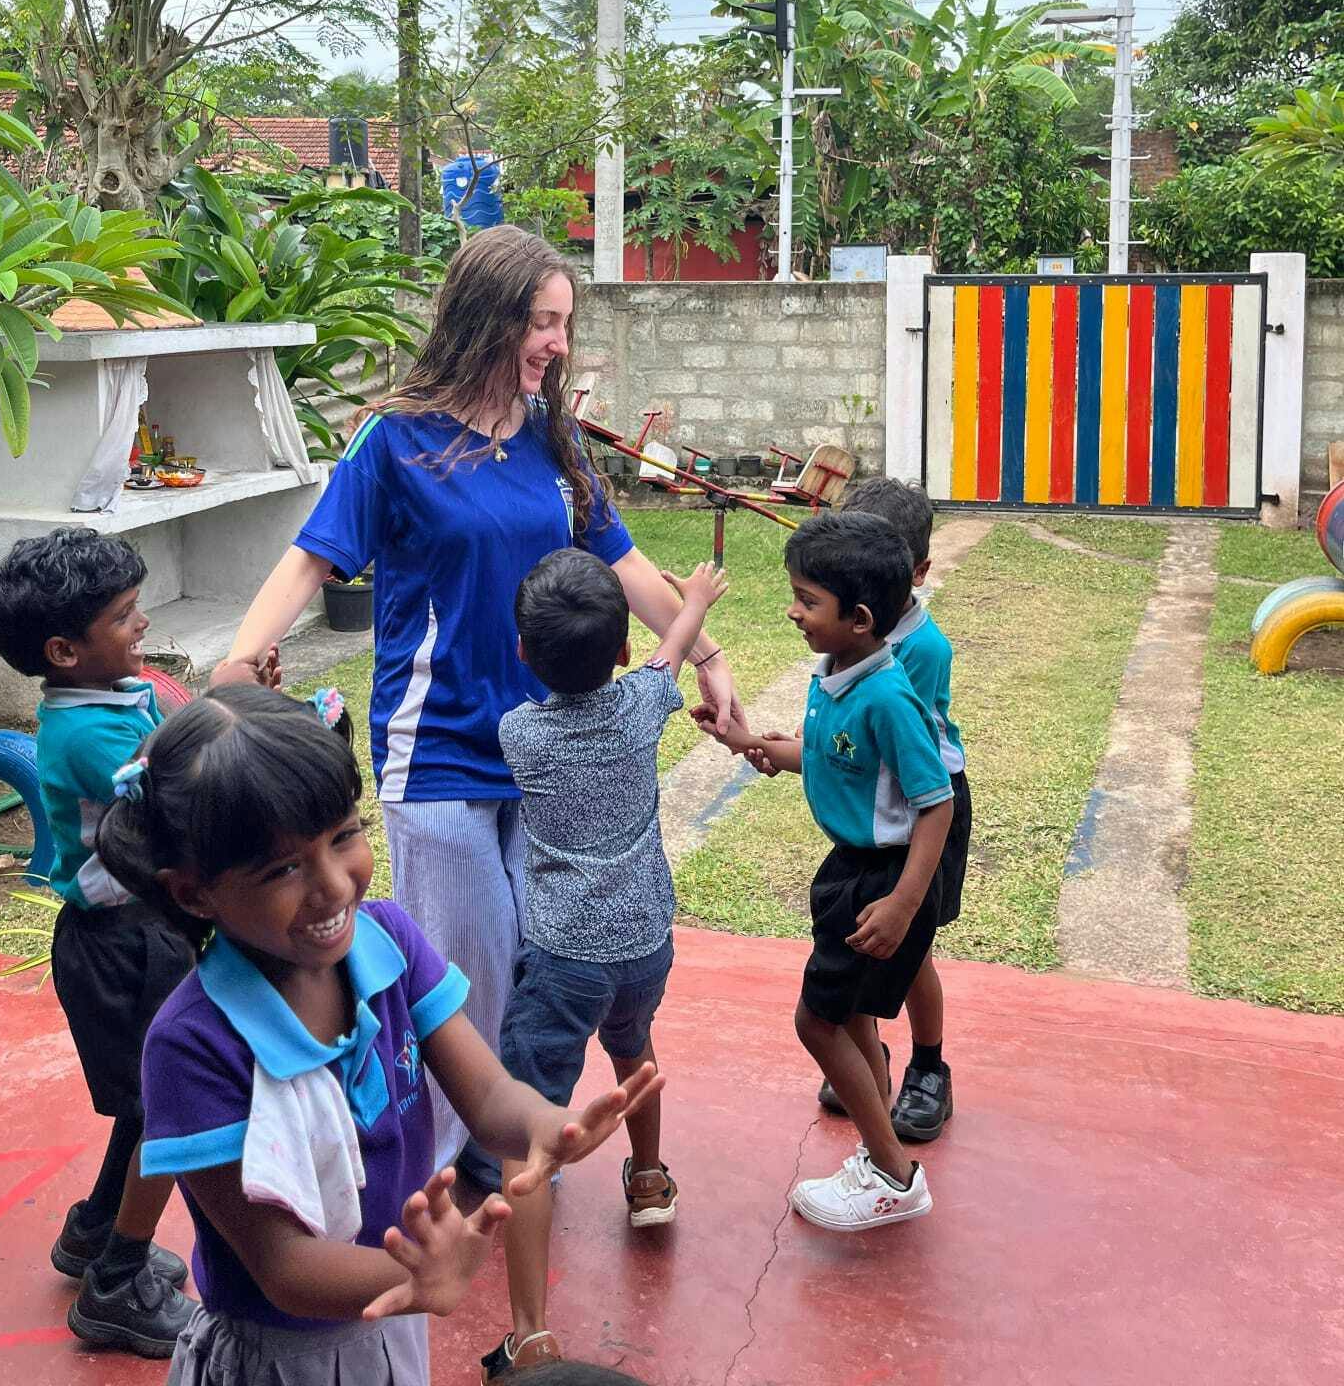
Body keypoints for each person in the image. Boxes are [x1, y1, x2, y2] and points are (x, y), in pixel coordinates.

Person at [213, 225, 741, 1191]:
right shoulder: (397, 438)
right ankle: (459, 1168)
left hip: (544, 752)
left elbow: (621, 559)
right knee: (475, 968)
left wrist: (707, 655)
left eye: (565, 324)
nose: (557, 344)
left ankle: (487, 1157)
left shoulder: (554, 431)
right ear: (486, 318)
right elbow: (313, 556)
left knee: (536, 960)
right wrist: (242, 657)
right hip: (441, 750)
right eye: (541, 322)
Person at [95, 686, 662, 1386]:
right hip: (280, 1359)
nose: (334, 885)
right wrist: (419, 1276)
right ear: (192, 892)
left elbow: (485, 1096)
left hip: (389, 1319)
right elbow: (283, 1268)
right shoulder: (193, 1045)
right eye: (282, 869)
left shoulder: (388, 941)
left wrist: (546, 1124)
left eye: (343, 835)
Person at [482, 547, 728, 1379]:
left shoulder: (520, 734)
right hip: (643, 945)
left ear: (523, 653)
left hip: (560, 959)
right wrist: (692, 599)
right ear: (620, 650)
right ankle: (650, 1177)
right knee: (633, 1049)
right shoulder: (643, 705)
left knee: (528, 1124)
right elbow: (672, 649)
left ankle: (530, 1329)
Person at [696, 509, 953, 1233]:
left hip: (882, 877)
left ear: (861, 618)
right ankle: (881, 1159)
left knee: (817, 1021)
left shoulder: (888, 696)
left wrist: (904, 903)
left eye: (809, 600)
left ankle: (896, 1178)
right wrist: (744, 740)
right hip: (850, 869)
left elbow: (936, 806)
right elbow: (833, 758)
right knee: (851, 1018)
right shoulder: (839, 672)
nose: (793, 610)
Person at [0, 530, 198, 1358]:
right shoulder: (89, 737)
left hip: (143, 933)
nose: (141, 624)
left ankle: (94, 1234)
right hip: (121, 943)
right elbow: (180, 792)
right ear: (65, 651)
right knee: (173, 1109)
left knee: (148, 1105)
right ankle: (114, 1289)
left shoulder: (115, 693)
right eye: (122, 615)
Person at [833, 477, 968, 1142]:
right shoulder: (850, 628)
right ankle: (866, 1054)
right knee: (861, 934)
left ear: (916, 572)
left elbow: (902, 759)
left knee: (909, 948)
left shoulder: (917, 649)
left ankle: (929, 1069)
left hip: (924, 806)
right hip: (873, 804)